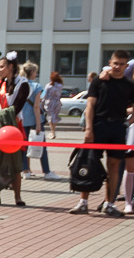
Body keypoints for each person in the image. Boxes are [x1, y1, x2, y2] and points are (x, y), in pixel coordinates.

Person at [70, 51, 133, 216]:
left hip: (118, 128)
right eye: (115, 63)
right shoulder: (100, 81)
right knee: (88, 163)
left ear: (127, 66)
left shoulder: (129, 85)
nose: (118, 67)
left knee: (114, 166)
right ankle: (83, 202)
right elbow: (90, 106)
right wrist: (89, 128)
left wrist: (127, 122)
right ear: (110, 62)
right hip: (99, 125)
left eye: (122, 64)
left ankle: (109, 203)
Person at [0, 52, 30, 205]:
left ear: (11, 67)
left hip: (13, 127)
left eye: (2, 67)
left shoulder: (23, 84)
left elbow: (17, 106)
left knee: (15, 163)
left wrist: (0, 117)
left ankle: (18, 197)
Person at [20, 61, 51, 179]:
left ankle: (25, 171)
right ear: (32, 72)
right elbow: (36, 106)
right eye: (36, 72)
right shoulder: (37, 86)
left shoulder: (20, 84)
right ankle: (47, 171)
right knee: (41, 146)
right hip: (33, 120)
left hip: (23, 120)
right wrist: (38, 123)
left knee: (24, 147)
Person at [44, 70, 64, 141]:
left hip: (49, 102)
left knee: (50, 116)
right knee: (55, 116)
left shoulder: (49, 85)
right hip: (57, 102)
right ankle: (53, 130)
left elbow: (45, 95)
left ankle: (52, 132)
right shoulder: (60, 86)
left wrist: (42, 102)